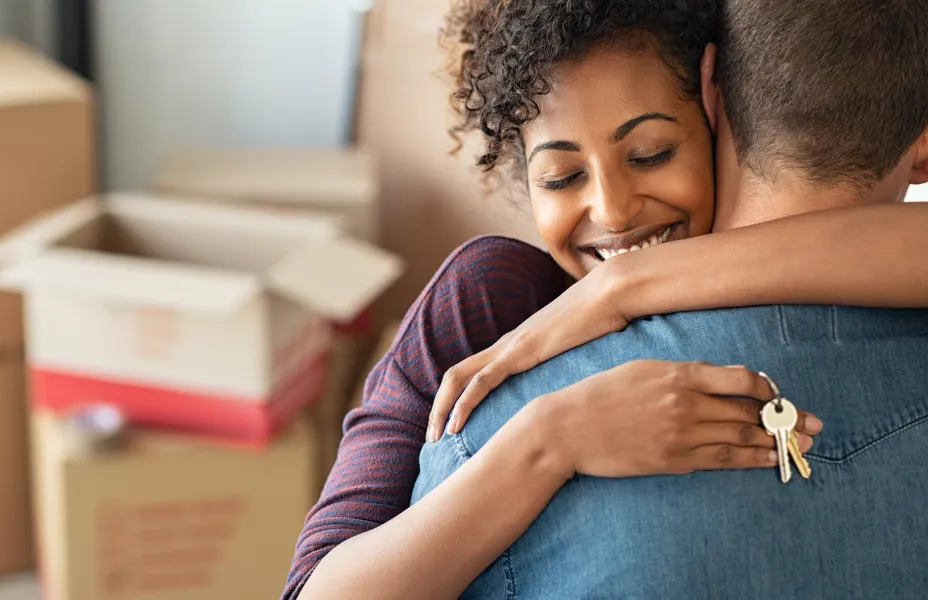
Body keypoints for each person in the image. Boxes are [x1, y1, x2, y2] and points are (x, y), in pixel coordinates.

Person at [284, 0, 928, 598]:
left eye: (651, 154)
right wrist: (547, 441)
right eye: (561, 177)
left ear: (715, 110)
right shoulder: (491, 298)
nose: (614, 211)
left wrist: (626, 285)